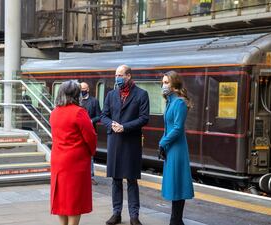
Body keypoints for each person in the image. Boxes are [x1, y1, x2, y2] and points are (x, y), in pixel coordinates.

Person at [101, 65, 149, 225]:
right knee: (115, 179)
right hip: (114, 141)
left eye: (120, 75)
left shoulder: (142, 94)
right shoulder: (111, 95)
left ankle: (134, 216)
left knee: (132, 179)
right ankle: (116, 213)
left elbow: (144, 118)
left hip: (131, 142)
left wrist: (125, 127)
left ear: (128, 76)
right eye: (116, 75)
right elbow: (104, 116)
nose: (117, 78)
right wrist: (111, 124)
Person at [50, 80, 97, 225]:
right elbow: (90, 136)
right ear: (76, 95)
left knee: (61, 199)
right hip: (75, 162)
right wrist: (91, 152)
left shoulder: (54, 112)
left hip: (58, 159)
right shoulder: (79, 112)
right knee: (74, 200)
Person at [159, 71, 194, 225]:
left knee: (177, 182)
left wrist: (163, 142)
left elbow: (178, 128)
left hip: (177, 148)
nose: (163, 85)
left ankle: (176, 220)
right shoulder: (170, 102)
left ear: (174, 84)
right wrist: (163, 142)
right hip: (170, 146)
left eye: (166, 82)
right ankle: (176, 220)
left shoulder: (179, 103)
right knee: (174, 183)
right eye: (163, 82)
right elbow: (168, 127)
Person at [80, 82, 101, 185]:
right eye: (80, 89)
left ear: (87, 89)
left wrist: (91, 121)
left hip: (91, 131)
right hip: (78, 132)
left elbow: (99, 116)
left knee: (90, 154)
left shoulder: (94, 101)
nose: (81, 91)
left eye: (83, 89)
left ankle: (91, 176)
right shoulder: (76, 101)